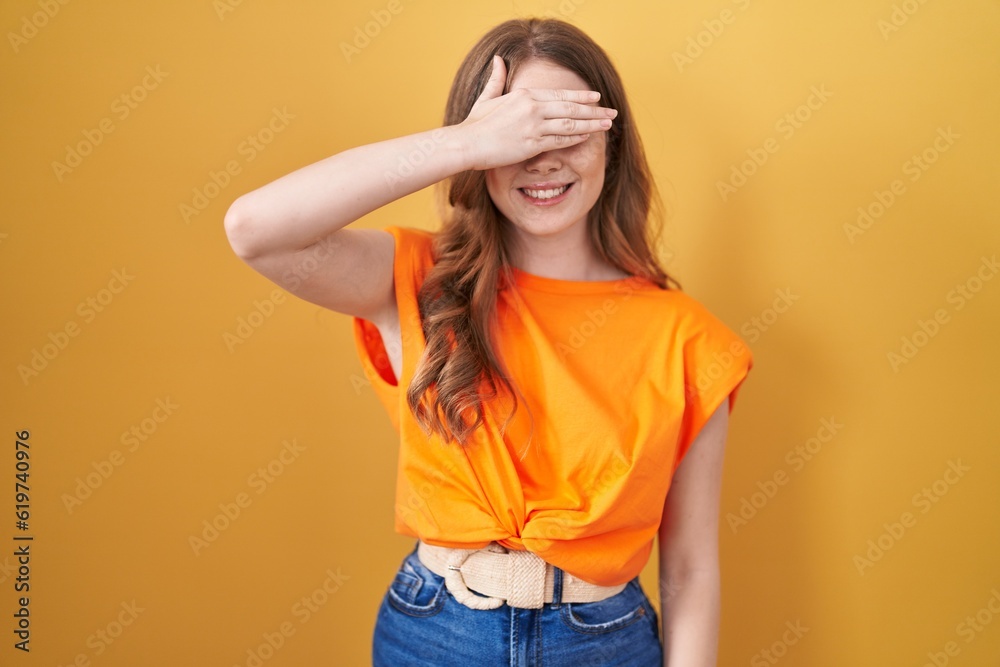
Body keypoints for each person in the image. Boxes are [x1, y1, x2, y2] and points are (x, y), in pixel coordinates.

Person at [224, 16, 753, 667]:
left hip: (604, 643)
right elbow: (254, 228)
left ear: (612, 144)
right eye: (518, 133)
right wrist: (465, 142)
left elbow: (692, 569)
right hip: (434, 634)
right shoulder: (417, 281)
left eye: (565, 128)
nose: (542, 158)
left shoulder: (689, 339)